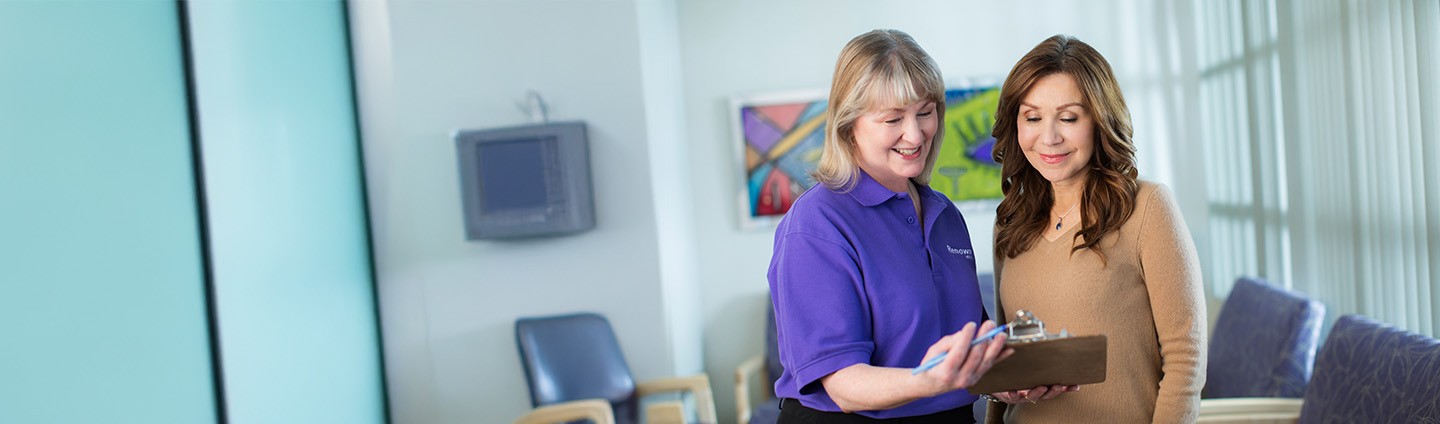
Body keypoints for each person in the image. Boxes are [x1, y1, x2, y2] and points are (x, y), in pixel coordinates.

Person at [767, 29, 1010, 423]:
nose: (914, 134)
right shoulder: (816, 223)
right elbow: (843, 383)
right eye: (892, 118)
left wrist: (1016, 378)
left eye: (925, 112)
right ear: (849, 126)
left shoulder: (944, 214)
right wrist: (929, 381)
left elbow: (968, 345)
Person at [984, 34, 1206, 423]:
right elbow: (1008, 360)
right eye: (1032, 117)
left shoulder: (1148, 207)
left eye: (1069, 117)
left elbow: (1186, 358)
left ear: (1099, 119)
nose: (1049, 137)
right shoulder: (1010, 221)